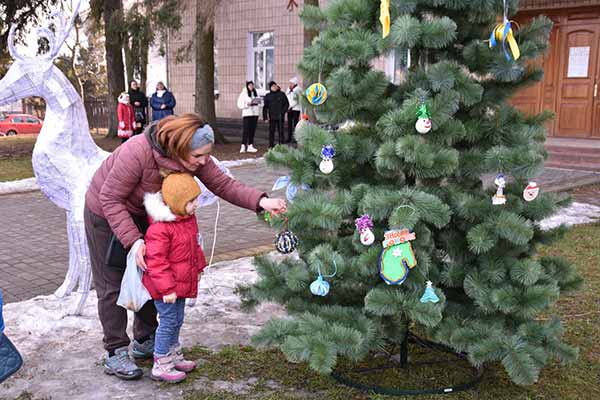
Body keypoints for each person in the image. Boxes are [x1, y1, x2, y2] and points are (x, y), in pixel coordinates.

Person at [84, 113, 287, 381]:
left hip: (150, 215)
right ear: (179, 147)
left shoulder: (192, 154)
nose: (204, 162)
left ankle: (145, 340)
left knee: (152, 277)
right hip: (106, 214)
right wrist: (134, 241)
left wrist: (261, 202)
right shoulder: (137, 152)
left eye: (207, 155)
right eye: (199, 157)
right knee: (112, 283)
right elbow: (109, 197)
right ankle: (116, 350)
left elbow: (224, 184)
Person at [142, 171, 205, 383]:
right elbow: (156, 262)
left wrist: (199, 265)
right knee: (168, 321)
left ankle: (172, 353)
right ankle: (160, 361)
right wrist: (167, 289)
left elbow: (193, 246)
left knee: (177, 319)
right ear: (177, 202)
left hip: (182, 282)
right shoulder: (160, 229)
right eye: (192, 201)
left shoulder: (186, 220)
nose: (196, 204)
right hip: (166, 288)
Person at [262, 81, 289, 148]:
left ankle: (282, 144)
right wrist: (265, 117)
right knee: (271, 131)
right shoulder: (268, 96)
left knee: (281, 131)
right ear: (270, 88)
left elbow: (286, 104)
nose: (274, 87)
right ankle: (271, 145)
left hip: (280, 116)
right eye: (273, 86)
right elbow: (265, 107)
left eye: (275, 86)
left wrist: (283, 112)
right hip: (272, 117)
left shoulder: (282, 94)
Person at [236, 81, 260, 154]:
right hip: (247, 114)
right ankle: (243, 145)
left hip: (255, 114)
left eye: (252, 85)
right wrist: (247, 105)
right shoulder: (243, 94)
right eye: (250, 85)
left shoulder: (255, 93)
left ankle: (250, 145)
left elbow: (259, 102)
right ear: (247, 86)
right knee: (246, 130)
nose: (251, 87)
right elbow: (239, 104)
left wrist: (257, 102)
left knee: (252, 130)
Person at [286, 77, 302, 144]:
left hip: (296, 109)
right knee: (289, 124)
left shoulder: (298, 90)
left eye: (291, 83)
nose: (289, 84)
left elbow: (297, 100)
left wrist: (290, 106)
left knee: (295, 124)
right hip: (289, 109)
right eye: (289, 83)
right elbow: (286, 97)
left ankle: (295, 138)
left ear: (294, 84)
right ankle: (289, 137)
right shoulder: (288, 89)